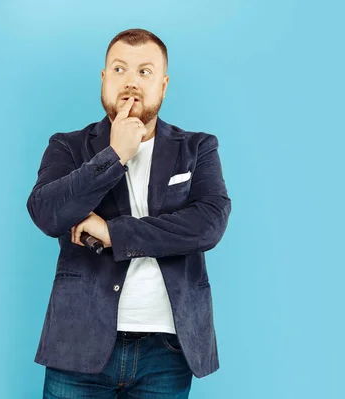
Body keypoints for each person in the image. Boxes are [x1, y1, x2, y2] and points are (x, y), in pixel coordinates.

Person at [26, 28, 231, 398]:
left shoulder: (198, 147)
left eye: (144, 72)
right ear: (104, 80)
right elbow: (46, 213)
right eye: (119, 69)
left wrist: (113, 233)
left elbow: (208, 224)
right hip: (77, 344)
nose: (131, 82)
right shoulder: (68, 147)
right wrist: (114, 156)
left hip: (166, 352)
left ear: (164, 85)